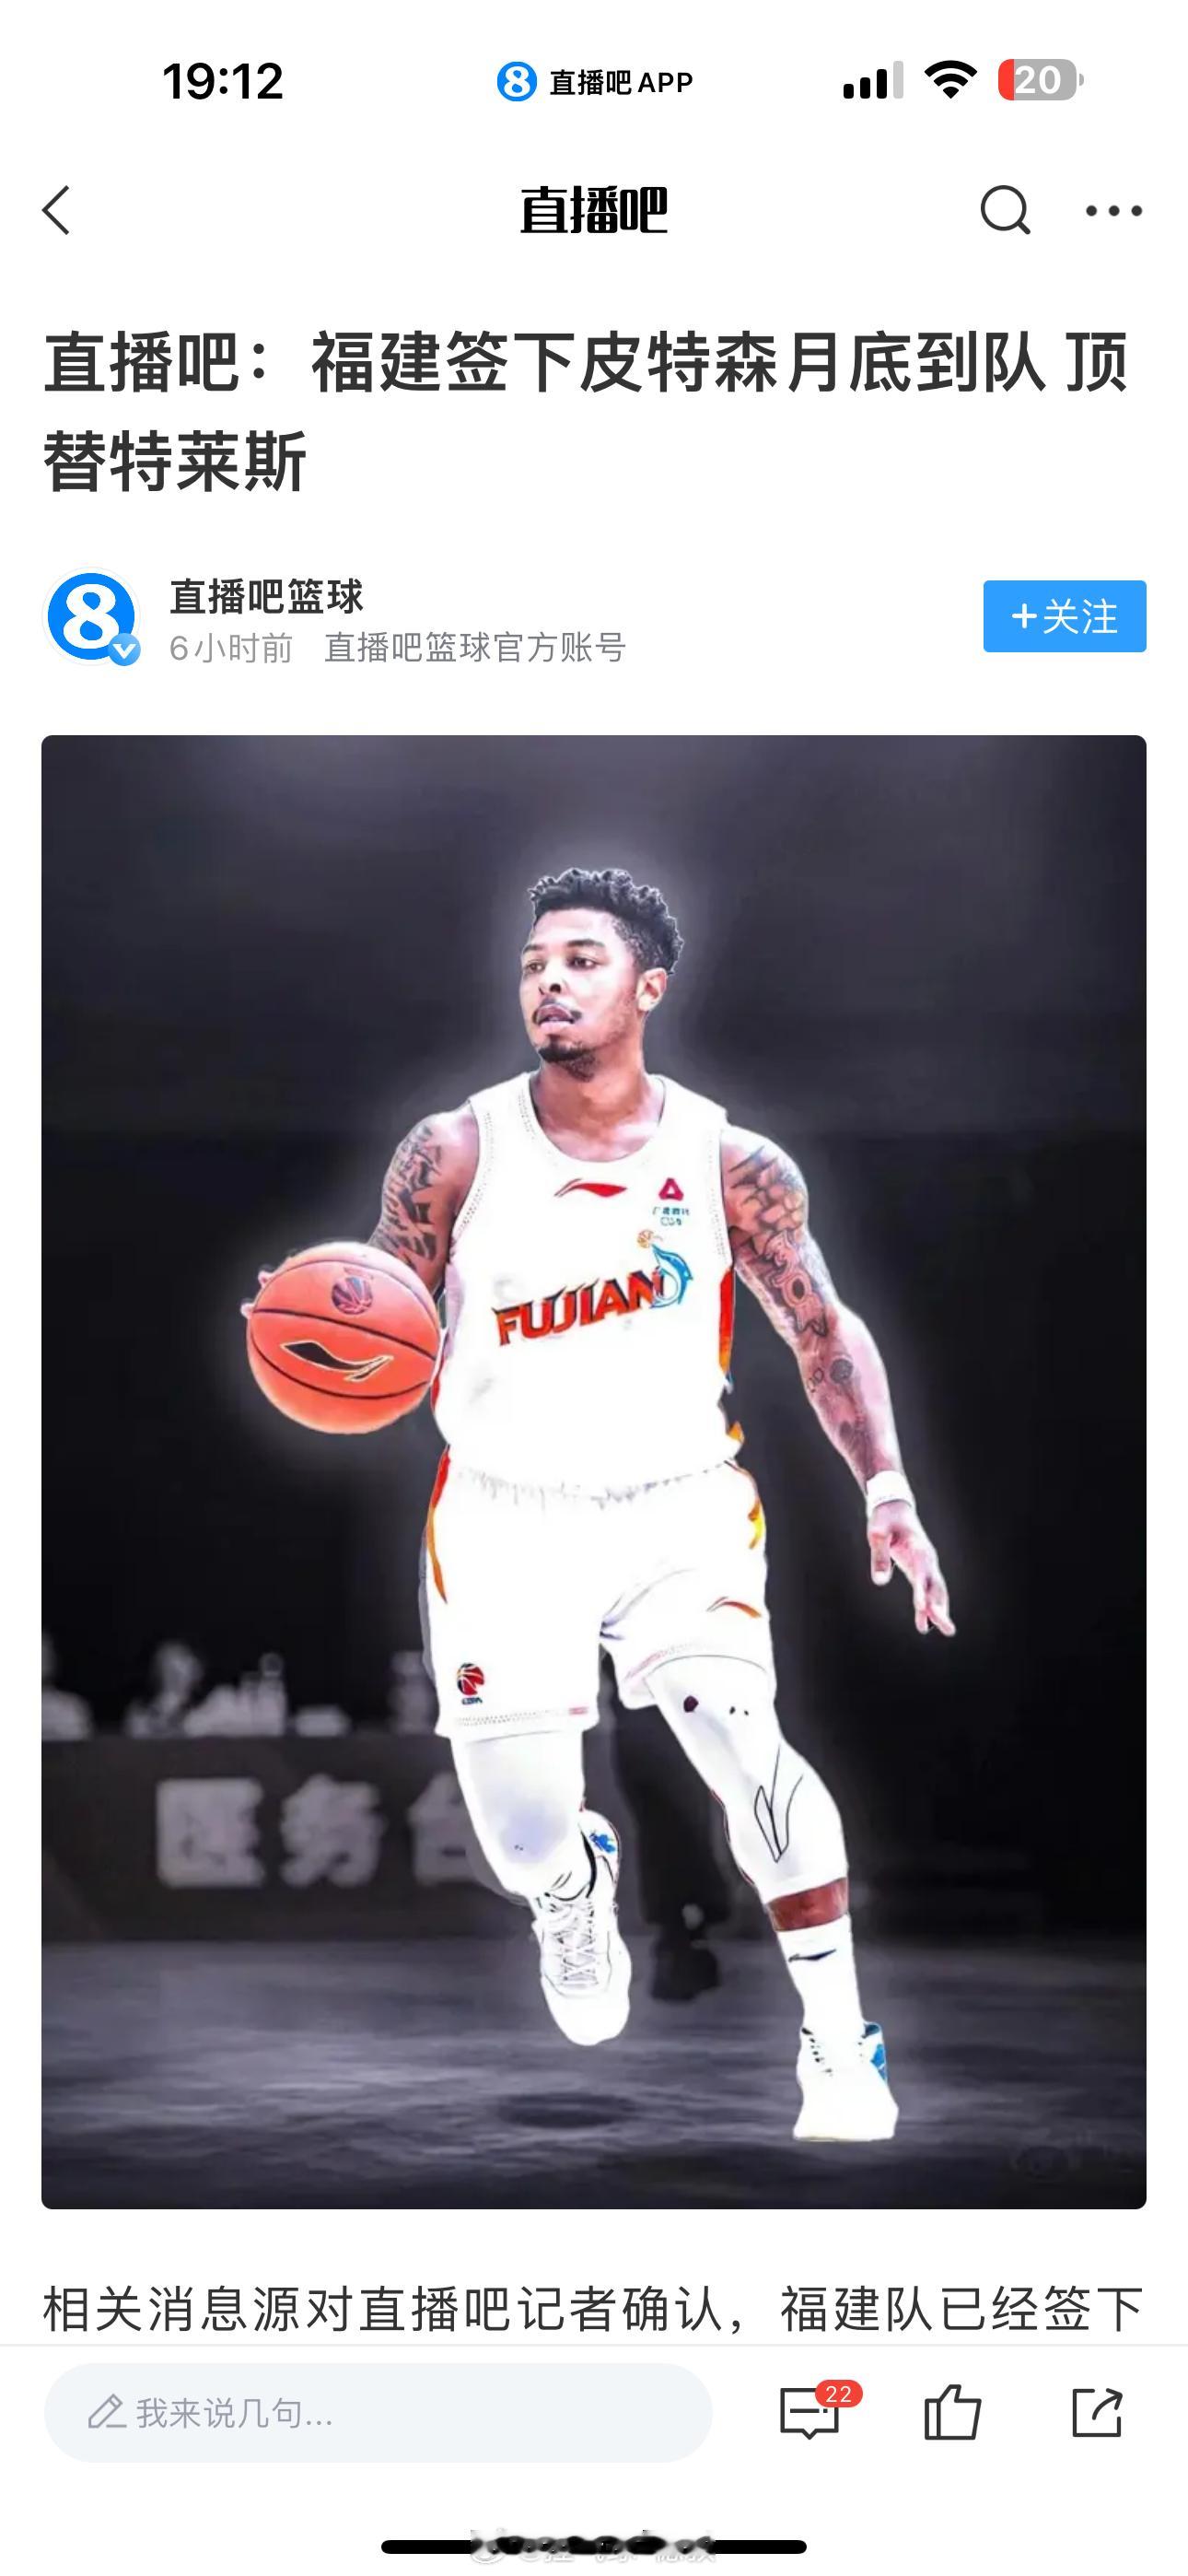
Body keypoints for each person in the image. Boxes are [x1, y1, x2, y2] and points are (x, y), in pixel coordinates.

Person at [363, 868, 952, 2139]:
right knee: (519, 1845)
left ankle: (839, 2050)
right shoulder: (451, 1149)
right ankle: (572, 1887)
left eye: (580, 959)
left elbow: (821, 1327)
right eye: (533, 964)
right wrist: (336, 1357)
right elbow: (381, 1327)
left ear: (648, 987)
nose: (548, 981)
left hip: (677, 1506)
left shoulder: (729, 1162)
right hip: (502, 1515)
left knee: (744, 1741)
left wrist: (887, 1489)